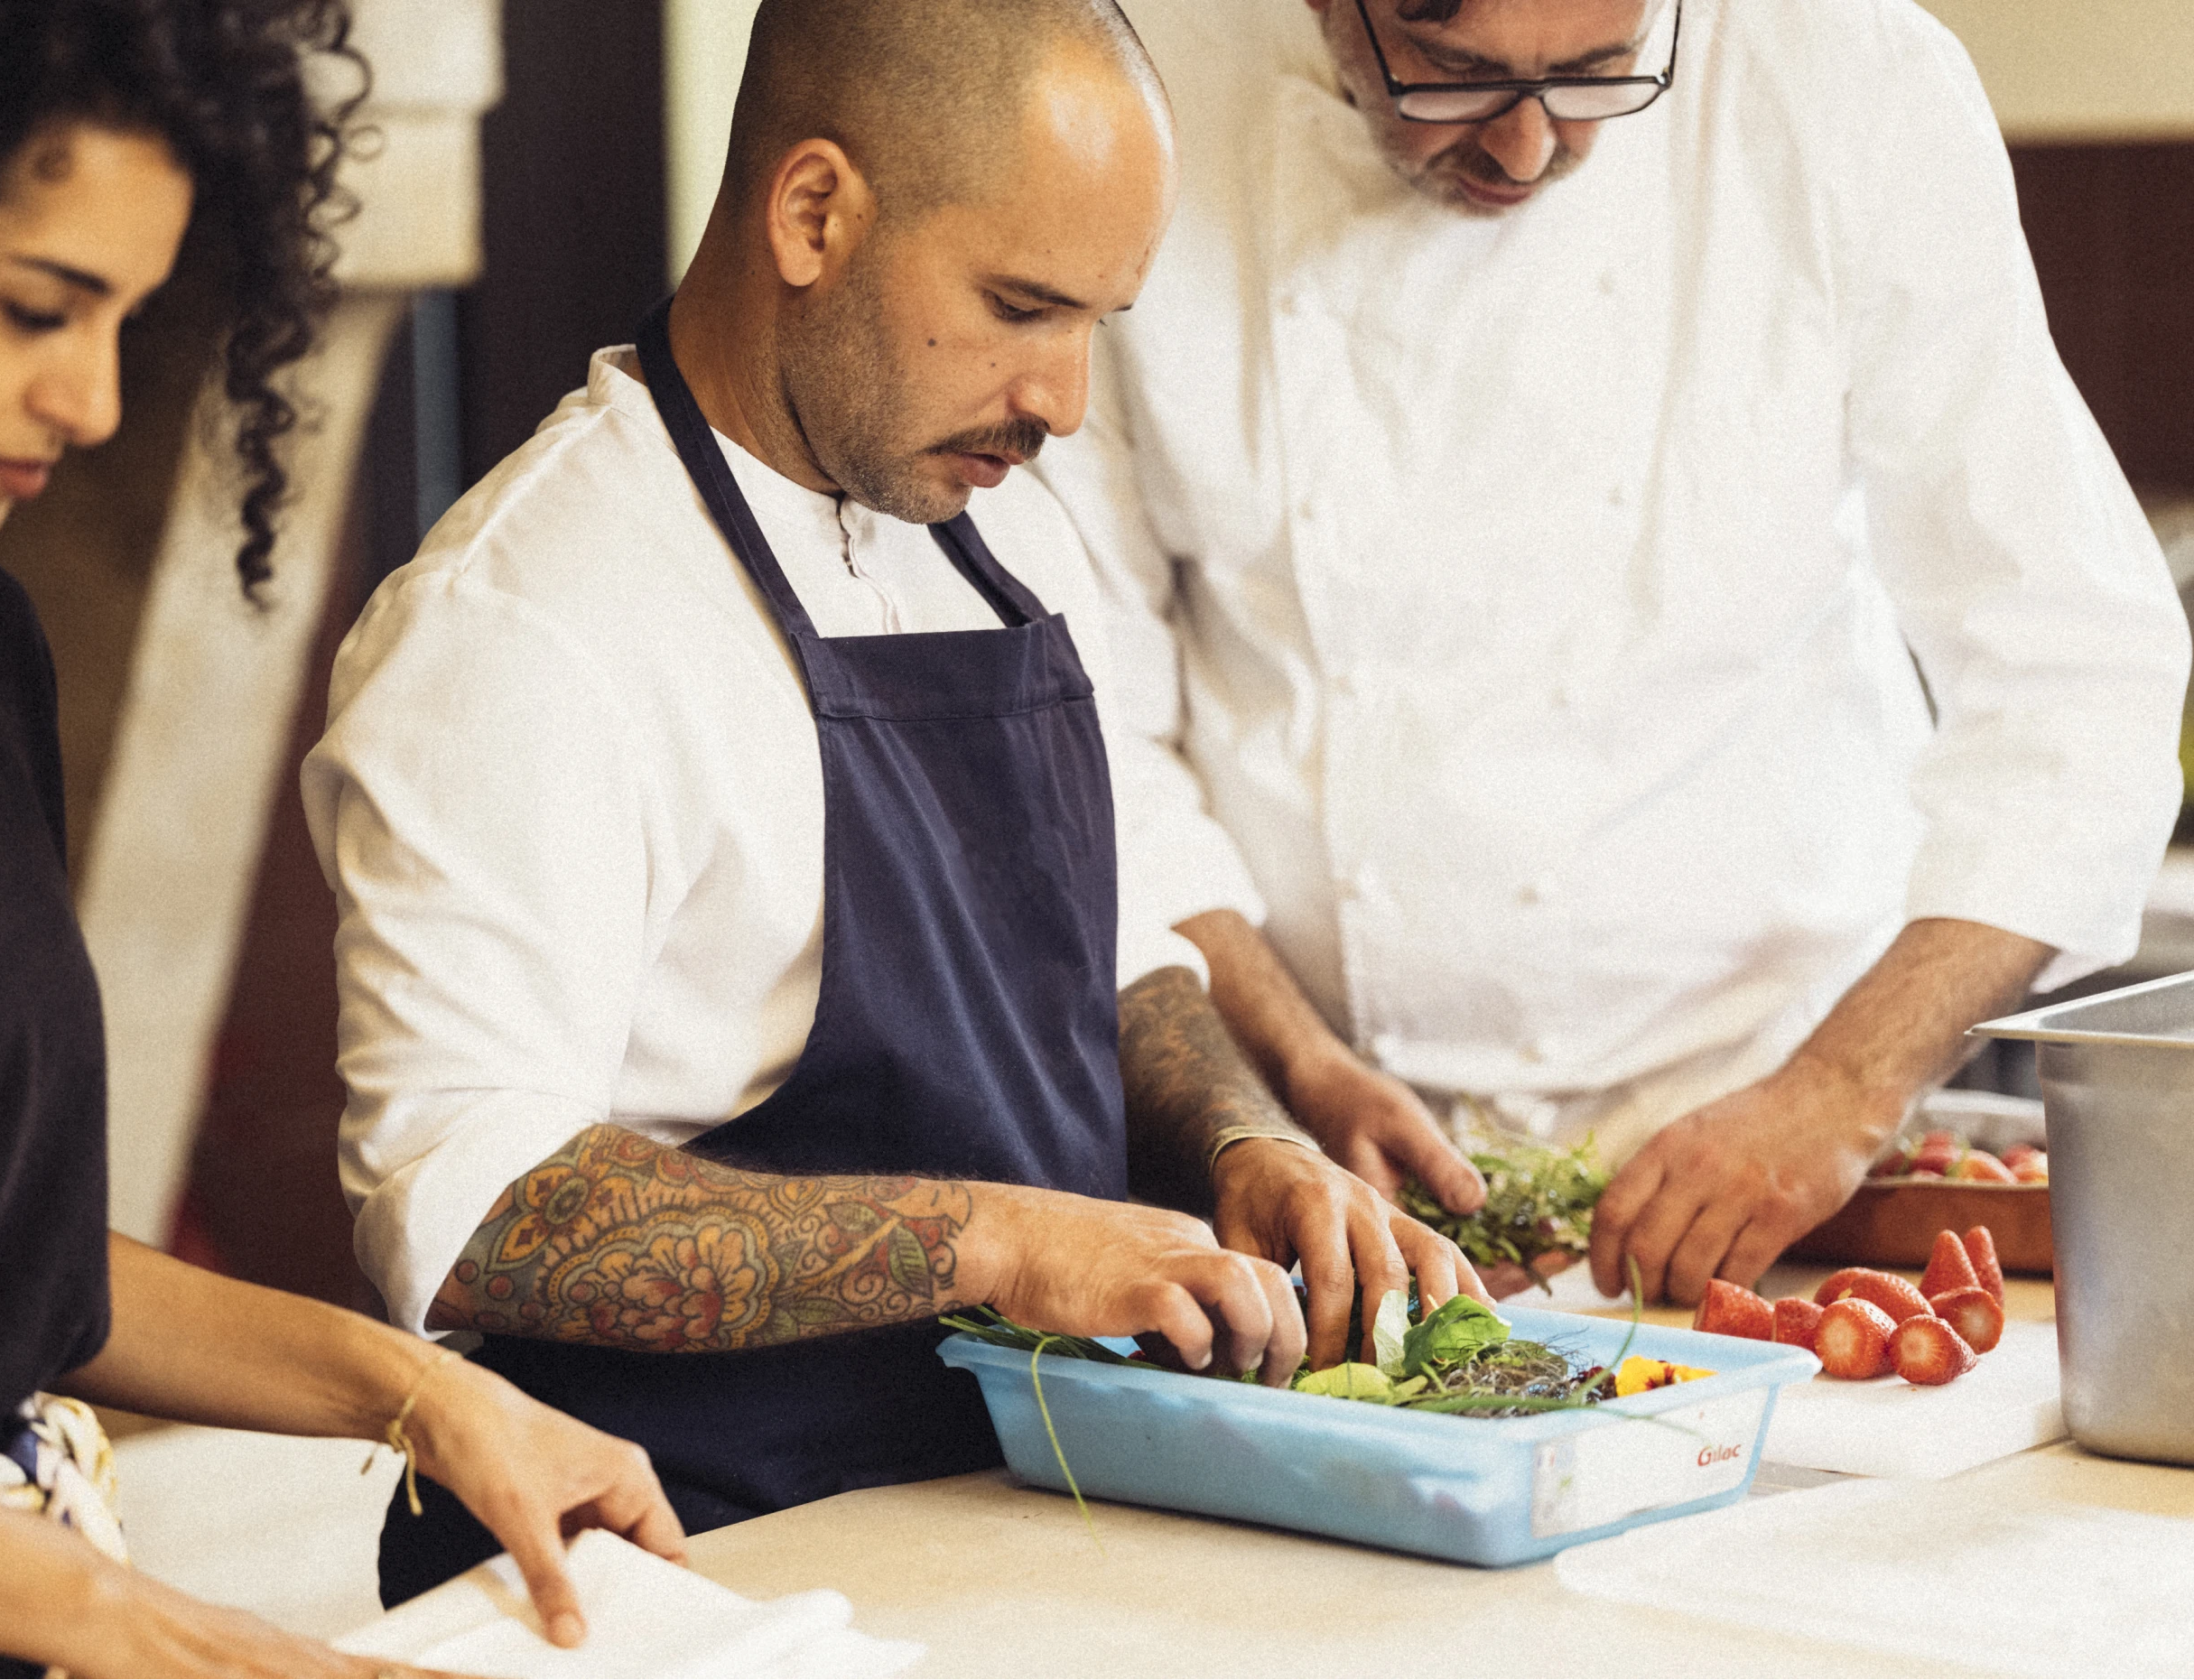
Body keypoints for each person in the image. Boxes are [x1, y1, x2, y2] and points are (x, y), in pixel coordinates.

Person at [304, 0, 1482, 1607]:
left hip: (1034, 1511)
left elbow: (1121, 952)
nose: (1063, 398)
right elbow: (475, 1208)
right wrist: (1005, 1244)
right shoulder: (522, 630)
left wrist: (1241, 1139)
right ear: (812, 213)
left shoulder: (1003, 542)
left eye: (1098, 325)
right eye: (1019, 307)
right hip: (690, 1559)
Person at [0, 2, 682, 1675]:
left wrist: (437, 1398)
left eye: (127, 318)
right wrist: (129, 1620)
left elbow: (15, 1273)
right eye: (39, 308)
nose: (96, 399)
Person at [1028, 0, 2190, 1305]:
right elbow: (1085, 721)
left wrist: (1840, 1092)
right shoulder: (1136, 90)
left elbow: (2080, 675)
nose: (1526, 151)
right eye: (1454, 77)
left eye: (1595, 76)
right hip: (1324, 1185)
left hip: (1786, 1164)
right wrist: (1286, 1074)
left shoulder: (1844, 82)